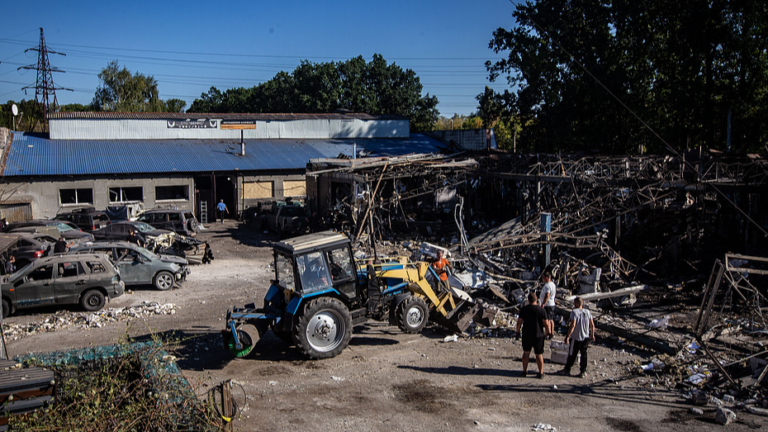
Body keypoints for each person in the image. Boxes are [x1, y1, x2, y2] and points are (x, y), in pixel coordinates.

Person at [557, 297, 596, 378]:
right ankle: (583, 371)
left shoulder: (574, 312)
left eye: (574, 303)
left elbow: (573, 325)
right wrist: (592, 334)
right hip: (585, 336)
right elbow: (592, 324)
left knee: (572, 354)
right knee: (584, 354)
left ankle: (567, 370)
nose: (573, 305)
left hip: (576, 337)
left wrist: (568, 335)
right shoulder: (587, 312)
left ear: (577, 303)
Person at [516, 292, 549, 378]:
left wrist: (517, 332)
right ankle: (541, 373)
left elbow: (519, 322)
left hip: (527, 334)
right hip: (538, 334)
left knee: (526, 353)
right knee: (539, 354)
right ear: (537, 299)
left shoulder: (524, 309)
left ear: (528, 300)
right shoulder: (541, 310)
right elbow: (546, 323)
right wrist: (547, 332)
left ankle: (524, 371)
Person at [540, 271, 557, 339]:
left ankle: (548, 333)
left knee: (547, 320)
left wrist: (543, 303)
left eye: (543, 278)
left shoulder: (547, 285)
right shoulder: (553, 284)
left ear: (547, 278)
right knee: (551, 319)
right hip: (552, 304)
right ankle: (551, 332)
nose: (542, 279)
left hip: (548, 305)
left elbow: (547, 295)